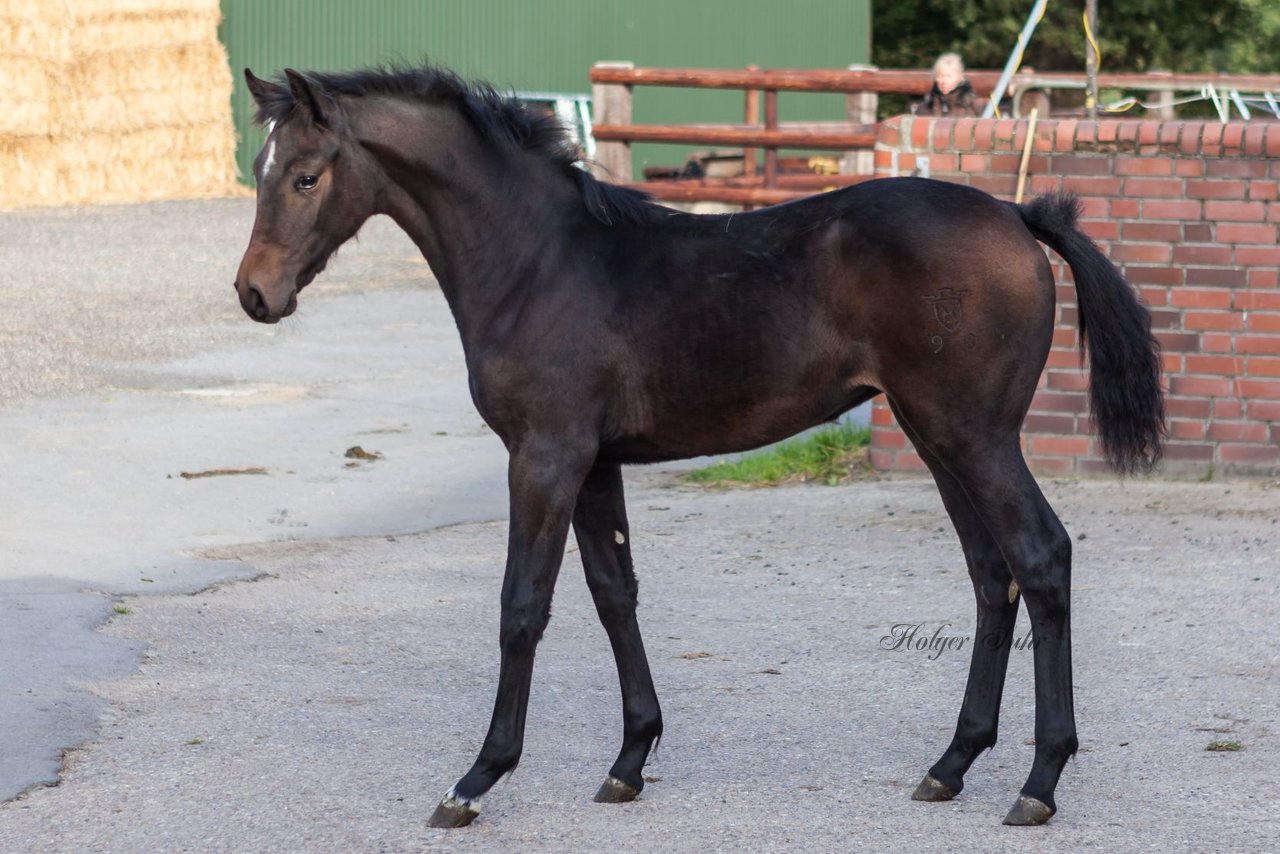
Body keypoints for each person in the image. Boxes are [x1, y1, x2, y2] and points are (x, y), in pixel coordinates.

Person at [911, 53, 980, 117]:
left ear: (960, 77)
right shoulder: (929, 103)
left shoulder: (969, 103)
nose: (944, 81)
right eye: (940, 76)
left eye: (948, 76)